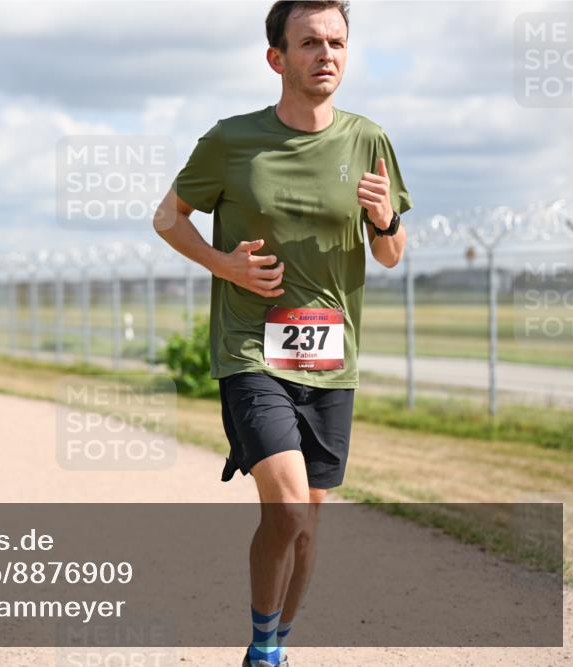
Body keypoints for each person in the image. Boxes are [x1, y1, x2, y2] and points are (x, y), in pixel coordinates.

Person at [153, 3, 412, 666]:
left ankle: (271, 641)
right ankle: (266, 649)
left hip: (332, 358)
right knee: (291, 507)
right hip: (251, 348)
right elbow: (167, 218)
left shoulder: (369, 139)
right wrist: (225, 263)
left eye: (337, 43)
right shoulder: (231, 141)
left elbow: (390, 255)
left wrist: (384, 221)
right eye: (309, 43)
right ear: (277, 58)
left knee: (307, 519)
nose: (326, 54)